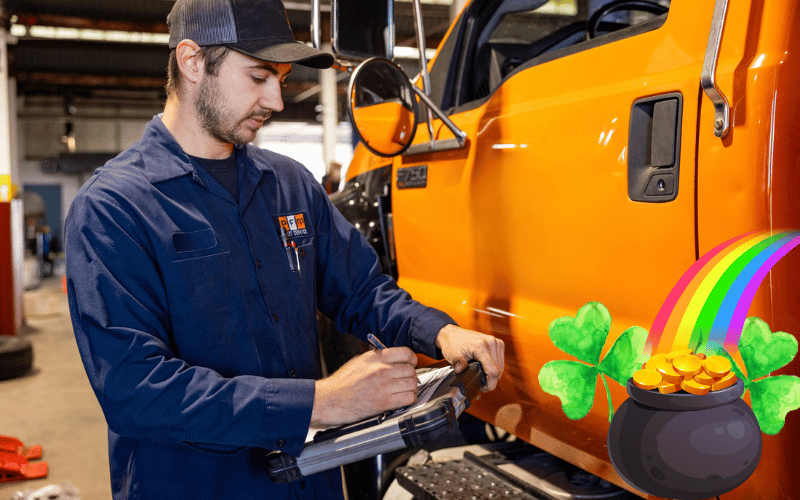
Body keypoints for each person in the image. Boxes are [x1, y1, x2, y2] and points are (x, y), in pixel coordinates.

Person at [64, 0, 505, 498]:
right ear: (191, 61)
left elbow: (360, 289)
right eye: (258, 77)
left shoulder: (289, 185)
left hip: (310, 479)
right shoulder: (114, 207)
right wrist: (322, 401)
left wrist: (439, 333)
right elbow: (135, 390)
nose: (277, 99)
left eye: (279, 77)